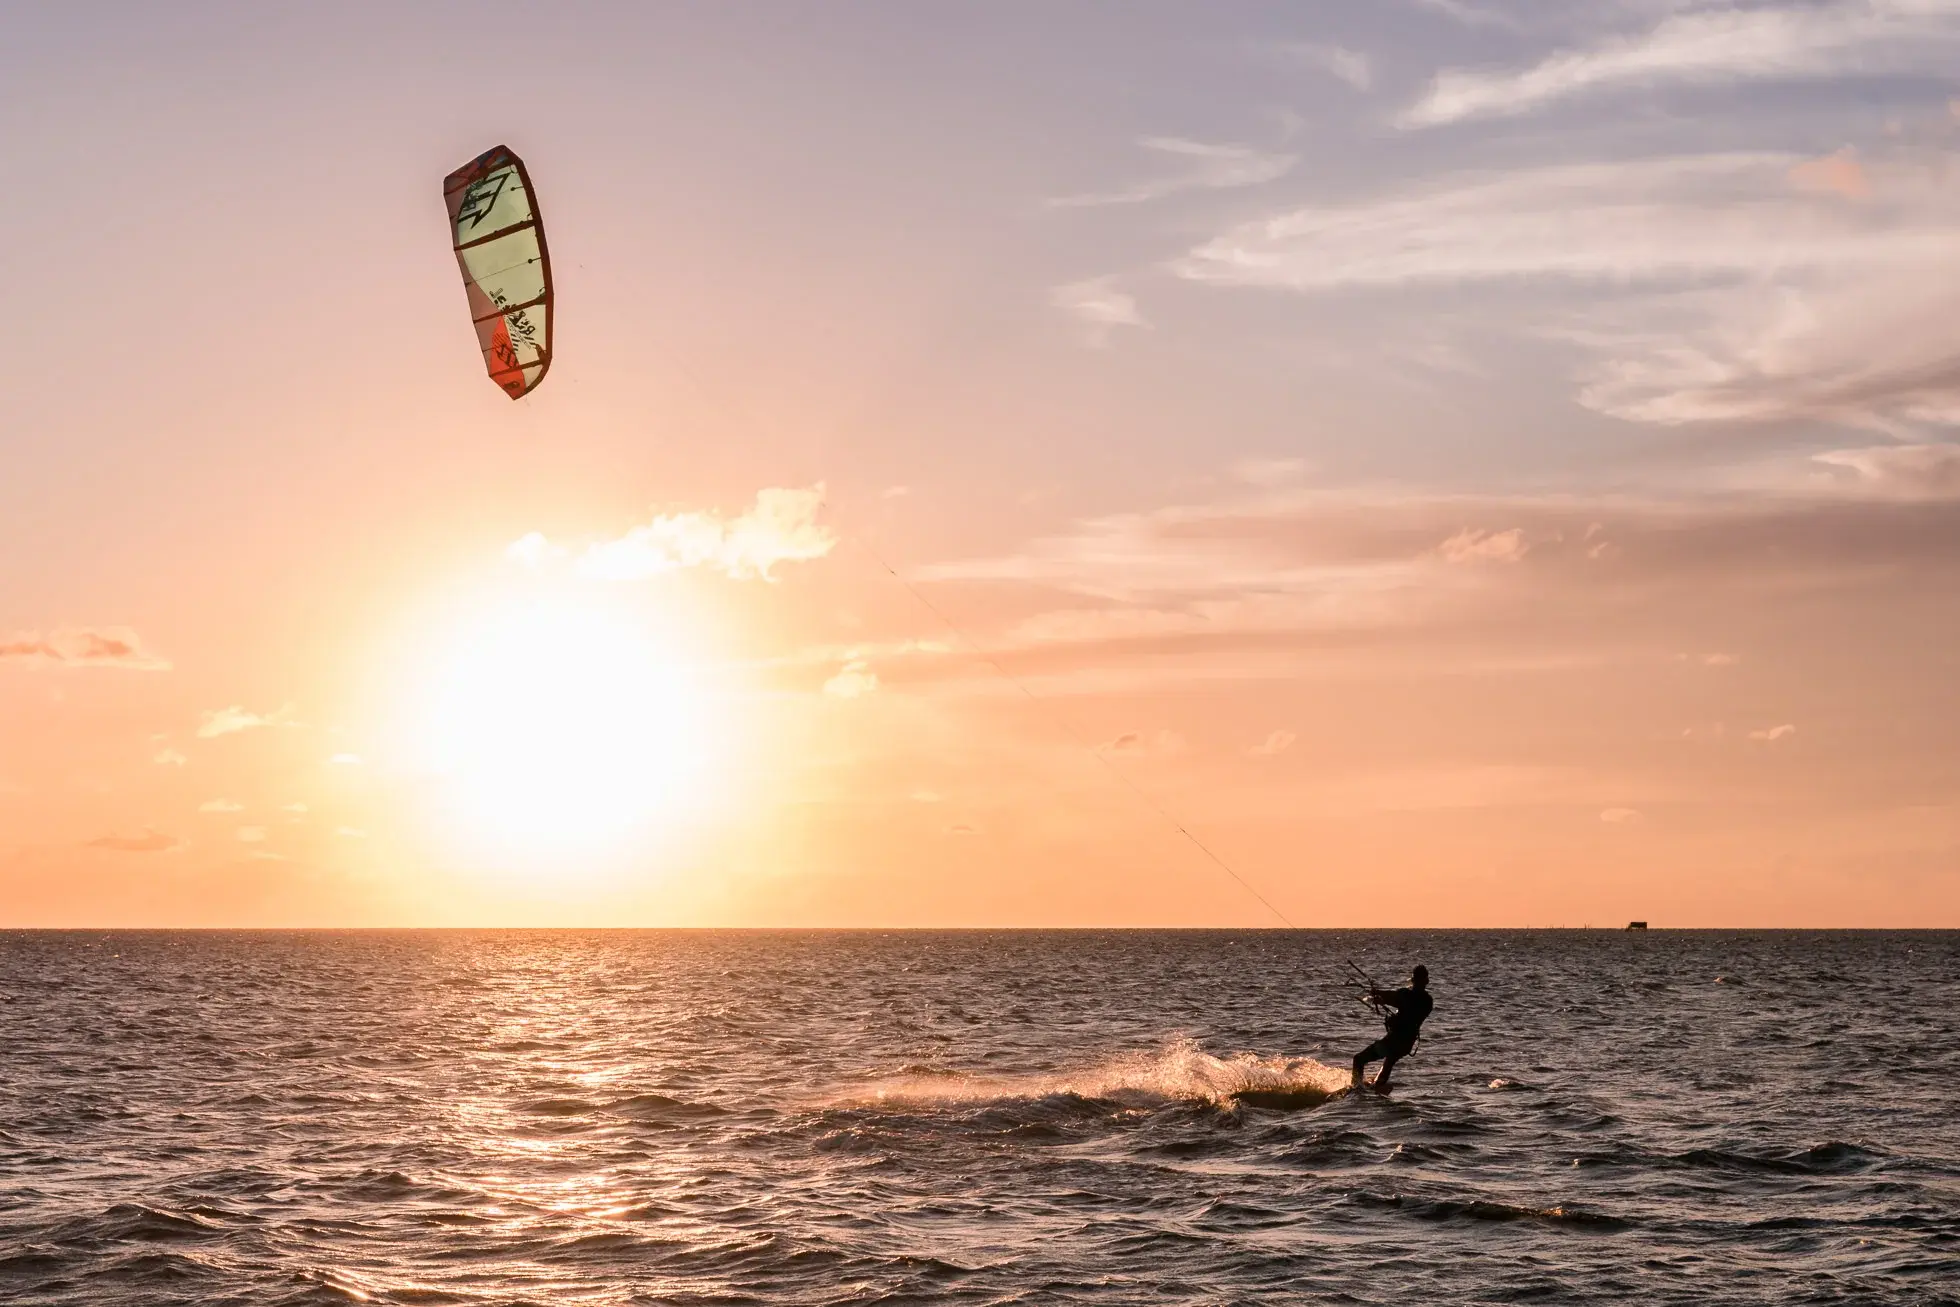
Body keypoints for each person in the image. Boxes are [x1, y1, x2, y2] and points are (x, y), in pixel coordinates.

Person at [1352, 965, 1432, 1091]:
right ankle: (1378, 1084)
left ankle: (1356, 1089)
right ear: (1426, 981)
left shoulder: (1411, 997)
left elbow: (1399, 999)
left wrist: (1379, 995)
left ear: (1413, 980)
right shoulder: (1427, 1000)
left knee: (1358, 1059)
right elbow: (1397, 999)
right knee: (1390, 1060)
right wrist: (1381, 997)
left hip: (1394, 1042)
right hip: (1406, 1044)